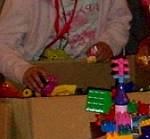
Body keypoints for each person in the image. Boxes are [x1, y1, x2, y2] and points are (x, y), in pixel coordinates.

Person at [0, 0, 132, 94]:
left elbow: (120, 20)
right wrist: (23, 71)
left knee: (96, 122)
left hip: (92, 72)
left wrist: (109, 42)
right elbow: (3, 44)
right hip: (39, 80)